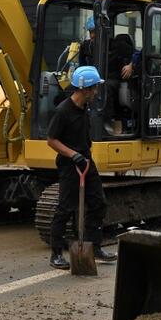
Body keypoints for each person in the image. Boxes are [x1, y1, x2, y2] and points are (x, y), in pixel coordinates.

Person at [46, 65, 117, 270]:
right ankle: (56, 254)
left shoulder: (84, 107)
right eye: (94, 88)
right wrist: (72, 154)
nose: (96, 92)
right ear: (85, 89)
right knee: (65, 208)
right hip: (70, 165)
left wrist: (83, 156)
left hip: (86, 163)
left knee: (98, 203)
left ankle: (94, 247)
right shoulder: (63, 111)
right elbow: (51, 140)